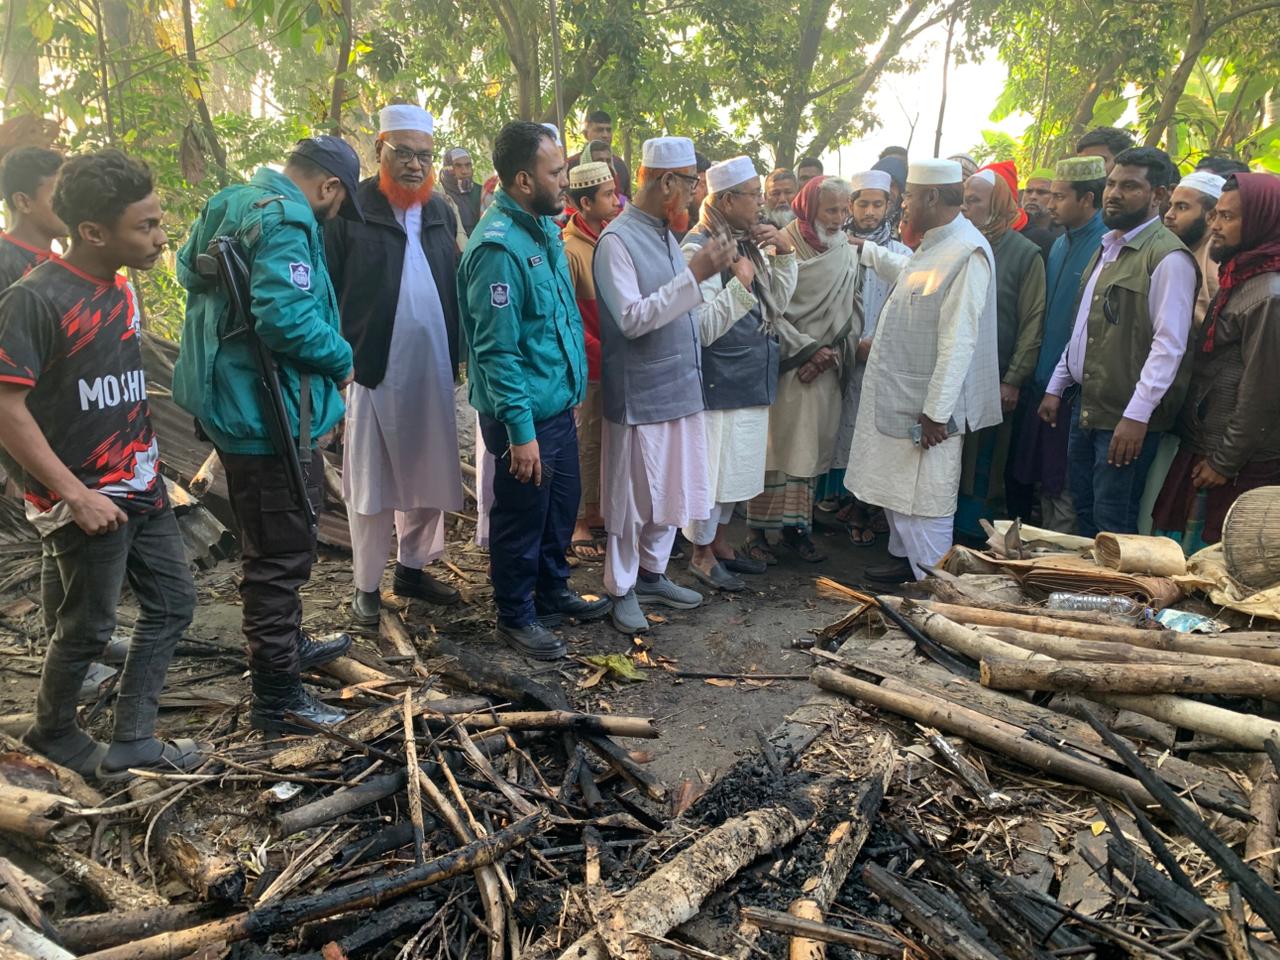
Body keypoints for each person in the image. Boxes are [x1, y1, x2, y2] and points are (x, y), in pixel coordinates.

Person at [0, 150, 201, 777]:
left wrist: (153, 466)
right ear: (92, 231)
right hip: (87, 499)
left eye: (159, 221)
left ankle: (134, 735)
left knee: (173, 603)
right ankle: (54, 730)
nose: (161, 237)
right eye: (145, 226)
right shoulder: (35, 299)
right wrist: (73, 496)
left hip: (141, 486)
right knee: (87, 627)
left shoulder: (117, 289)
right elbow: (7, 408)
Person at [175, 136, 360, 733]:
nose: (332, 212)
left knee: (276, 540)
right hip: (266, 414)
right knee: (281, 553)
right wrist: (342, 357)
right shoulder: (285, 219)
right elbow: (284, 317)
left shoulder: (232, 200)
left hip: (234, 401)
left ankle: (286, 647)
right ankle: (277, 695)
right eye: (337, 200)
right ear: (329, 187)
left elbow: (185, 268)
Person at [458, 121, 608, 659]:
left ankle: (551, 590)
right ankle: (515, 615)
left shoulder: (542, 229)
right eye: (556, 171)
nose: (565, 180)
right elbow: (497, 352)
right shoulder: (497, 249)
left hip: (556, 404)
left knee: (558, 508)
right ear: (524, 180)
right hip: (522, 415)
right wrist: (521, 433)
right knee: (522, 515)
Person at [324, 105, 464, 626]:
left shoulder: (439, 212)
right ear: (380, 148)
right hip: (371, 367)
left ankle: (412, 566)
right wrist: (335, 365)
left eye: (423, 156)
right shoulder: (352, 208)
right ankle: (366, 583)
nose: (413, 165)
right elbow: (327, 288)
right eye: (402, 152)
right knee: (372, 483)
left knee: (429, 470)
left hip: (431, 368)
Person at [593, 136, 735, 634]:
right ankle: (622, 588)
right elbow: (631, 319)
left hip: (679, 388)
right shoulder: (616, 241)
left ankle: (653, 574)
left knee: (669, 493)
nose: (695, 195)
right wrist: (695, 274)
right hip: (639, 396)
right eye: (691, 184)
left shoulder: (665, 233)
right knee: (631, 502)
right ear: (666, 181)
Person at [846, 158, 1001, 582]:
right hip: (906, 396)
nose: (905, 205)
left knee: (925, 500)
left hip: (929, 411)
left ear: (932, 196)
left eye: (910, 196)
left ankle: (935, 588)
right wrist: (869, 253)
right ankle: (904, 565)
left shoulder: (966, 252)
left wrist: (936, 412)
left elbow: (959, 340)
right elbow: (916, 276)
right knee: (899, 491)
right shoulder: (938, 243)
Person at [1037, 146, 1197, 537]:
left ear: (1159, 195)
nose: (1114, 194)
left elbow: (1168, 346)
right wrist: (1057, 385)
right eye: (1111, 184)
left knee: (1114, 524)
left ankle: (1118, 598)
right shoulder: (1109, 247)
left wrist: (1136, 416)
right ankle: (1092, 595)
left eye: (1129, 186)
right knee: (1086, 514)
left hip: (1123, 418)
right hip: (1087, 406)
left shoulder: (1167, 258)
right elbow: (1083, 327)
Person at [681, 156, 798, 590]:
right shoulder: (699, 248)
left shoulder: (745, 243)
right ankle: (699, 552)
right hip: (718, 384)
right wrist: (740, 286)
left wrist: (783, 254)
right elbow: (703, 329)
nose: (761, 204)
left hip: (750, 377)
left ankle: (721, 543)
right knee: (710, 475)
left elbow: (778, 306)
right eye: (753, 196)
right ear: (727, 200)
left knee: (737, 471)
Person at [1153, 173, 1280, 544]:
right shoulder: (1240, 273)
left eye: (1228, 217)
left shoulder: (1269, 295)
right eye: (1216, 215)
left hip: (1238, 462)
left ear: (1261, 221)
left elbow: (1263, 389)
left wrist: (1225, 460)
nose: (1216, 226)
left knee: (1210, 568)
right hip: (1204, 443)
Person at [746, 176, 858, 562]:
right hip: (784, 364)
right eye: (832, 209)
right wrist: (807, 350)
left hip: (825, 368)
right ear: (810, 207)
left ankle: (797, 530)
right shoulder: (781, 243)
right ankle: (758, 534)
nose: (840, 218)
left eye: (845, 210)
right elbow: (767, 306)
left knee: (808, 451)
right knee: (773, 451)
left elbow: (853, 313)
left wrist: (832, 353)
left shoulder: (846, 251)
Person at [1012, 156, 1109, 533]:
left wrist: (1061, 380)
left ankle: (1059, 570)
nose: (1049, 205)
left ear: (1087, 199)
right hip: (1043, 381)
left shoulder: (1104, 246)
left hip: (1072, 390)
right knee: (1043, 482)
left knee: (1064, 485)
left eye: (1058, 197)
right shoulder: (1057, 244)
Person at [956, 167, 1046, 536]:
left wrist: (1013, 379)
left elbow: (1032, 321)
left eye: (974, 201)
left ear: (998, 203)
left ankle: (975, 537)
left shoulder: (1025, 254)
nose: (965, 208)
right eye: (963, 199)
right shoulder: (961, 245)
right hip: (956, 374)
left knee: (985, 463)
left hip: (996, 379)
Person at [822, 169, 910, 543]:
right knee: (838, 428)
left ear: (889, 205)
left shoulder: (903, 254)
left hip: (881, 355)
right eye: (863, 203)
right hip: (841, 352)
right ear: (851, 206)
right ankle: (840, 500)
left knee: (872, 433)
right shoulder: (834, 245)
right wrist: (849, 342)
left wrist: (874, 343)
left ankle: (866, 507)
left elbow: (905, 307)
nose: (870, 211)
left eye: (878, 204)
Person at [563, 161, 621, 562]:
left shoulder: (609, 239)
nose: (616, 201)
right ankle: (579, 521)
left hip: (616, 362)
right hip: (592, 365)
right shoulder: (570, 250)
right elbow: (569, 318)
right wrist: (603, 353)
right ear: (585, 203)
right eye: (607, 195)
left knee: (607, 443)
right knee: (586, 442)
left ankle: (599, 510)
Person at [1164, 170, 1225, 328]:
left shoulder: (1215, 257)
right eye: (1170, 206)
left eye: (1182, 207)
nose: (1169, 215)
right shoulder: (1173, 248)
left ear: (1211, 216)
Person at [0, 147, 65, 289]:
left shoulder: (59, 263)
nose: (69, 206)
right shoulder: (4, 264)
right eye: (57, 198)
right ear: (22, 202)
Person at [567, 109, 632, 198]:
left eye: (608, 130)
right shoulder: (571, 165)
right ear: (586, 134)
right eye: (599, 130)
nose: (605, 135)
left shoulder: (619, 165)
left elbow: (627, 200)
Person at [440, 146, 482, 236]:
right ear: (448, 168)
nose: (464, 171)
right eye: (458, 166)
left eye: (468, 165)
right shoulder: (440, 196)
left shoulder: (482, 192)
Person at [871, 155, 907, 239]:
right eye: (882, 183)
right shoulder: (850, 224)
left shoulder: (907, 226)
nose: (887, 190)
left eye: (892, 185)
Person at [1021, 169, 1056, 233]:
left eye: (1041, 192)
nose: (1032, 197)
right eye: (1028, 191)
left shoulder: (1063, 234)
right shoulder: (1010, 227)